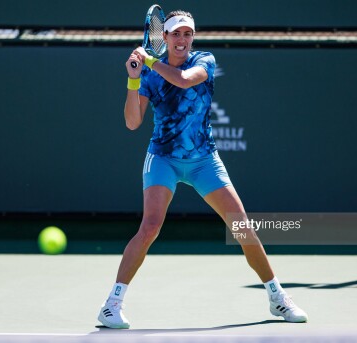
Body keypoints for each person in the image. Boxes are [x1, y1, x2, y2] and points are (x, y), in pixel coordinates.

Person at [98, 10, 308, 329]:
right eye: (175, 34)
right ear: (164, 37)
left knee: (242, 227)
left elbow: (183, 80)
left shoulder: (205, 60)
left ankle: (277, 298)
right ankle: (111, 305)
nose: (182, 40)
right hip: (164, 158)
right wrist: (133, 77)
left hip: (203, 161)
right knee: (151, 226)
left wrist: (151, 62)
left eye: (187, 34)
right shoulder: (150, 75)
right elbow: (132, 122)